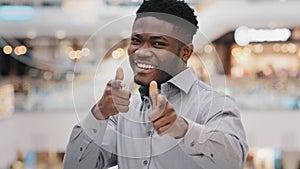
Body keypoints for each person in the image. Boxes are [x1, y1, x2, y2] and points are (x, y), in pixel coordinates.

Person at [63, 0, 248, 169]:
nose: (141, 52)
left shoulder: (214, 103)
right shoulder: (122, 114)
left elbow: (233, 160)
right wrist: (99, 113)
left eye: (158, 43)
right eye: (136, 41)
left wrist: (182, 129)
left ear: (185, 53)